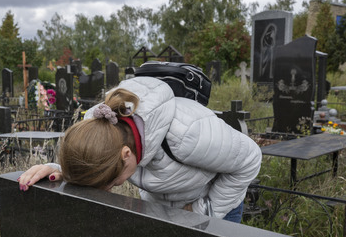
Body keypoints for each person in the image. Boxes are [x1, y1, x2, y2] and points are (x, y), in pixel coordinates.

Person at [18, 76, 262, 223]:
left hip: (213, 202)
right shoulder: (103, 128)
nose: (113, 187)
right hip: (163, 204)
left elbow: (249, 159)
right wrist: (63, 171)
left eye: (114, 184)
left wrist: (201, 211)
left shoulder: (188, 133)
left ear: (126, 155)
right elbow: (99, 161)